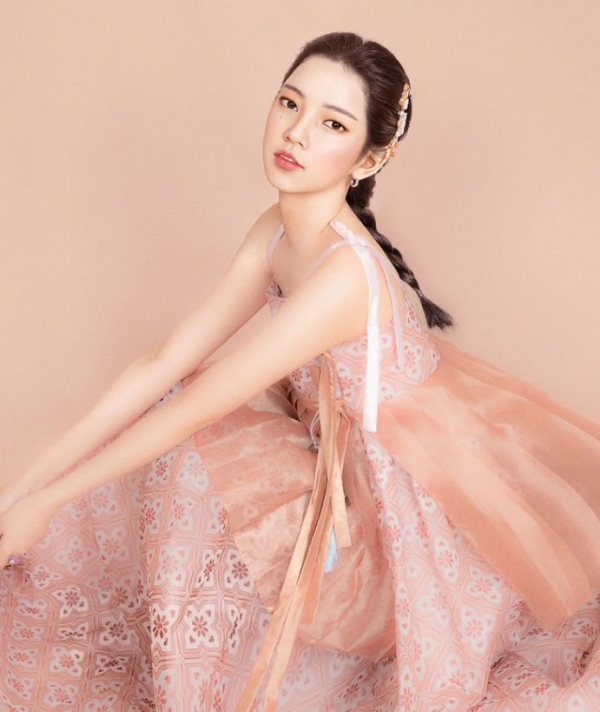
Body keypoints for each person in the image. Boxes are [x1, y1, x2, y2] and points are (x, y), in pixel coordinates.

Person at [1, 30, 600, 712]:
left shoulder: (344, 277)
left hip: (393, 499)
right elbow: (164, 358)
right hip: (330, 451)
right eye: (290, 103)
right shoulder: (278, 229)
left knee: (193, 440)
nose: (296, 133)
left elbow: (195, 409)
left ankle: (203, 686)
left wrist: (47, 502)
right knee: (177, 401)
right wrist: (27, 487)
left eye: (333, 124)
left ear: (370, 156)